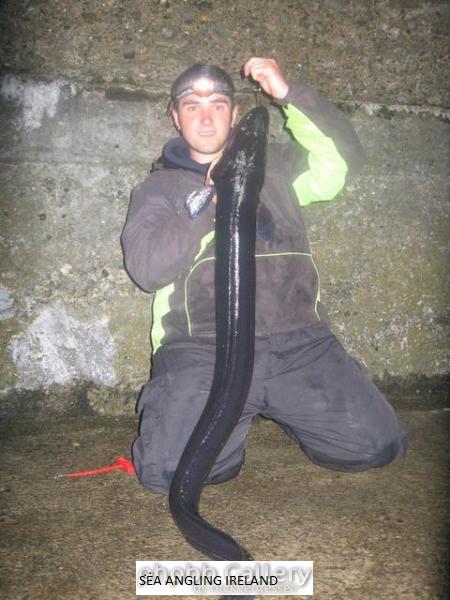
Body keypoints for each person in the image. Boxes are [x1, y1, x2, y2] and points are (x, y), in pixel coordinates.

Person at [121, 57, 407, 496]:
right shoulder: (158, 190)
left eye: (218, 103)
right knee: (170, 472)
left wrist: (289, 94)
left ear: (235, 115)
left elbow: (343, 160)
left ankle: (289, 407)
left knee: (378, 444)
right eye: (191, 104)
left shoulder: (281, 171)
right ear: (174, 116)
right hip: (205, 351)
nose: (206, 114)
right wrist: (213, 202)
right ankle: (231, 422)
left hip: (301, 345)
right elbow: (147, 269)